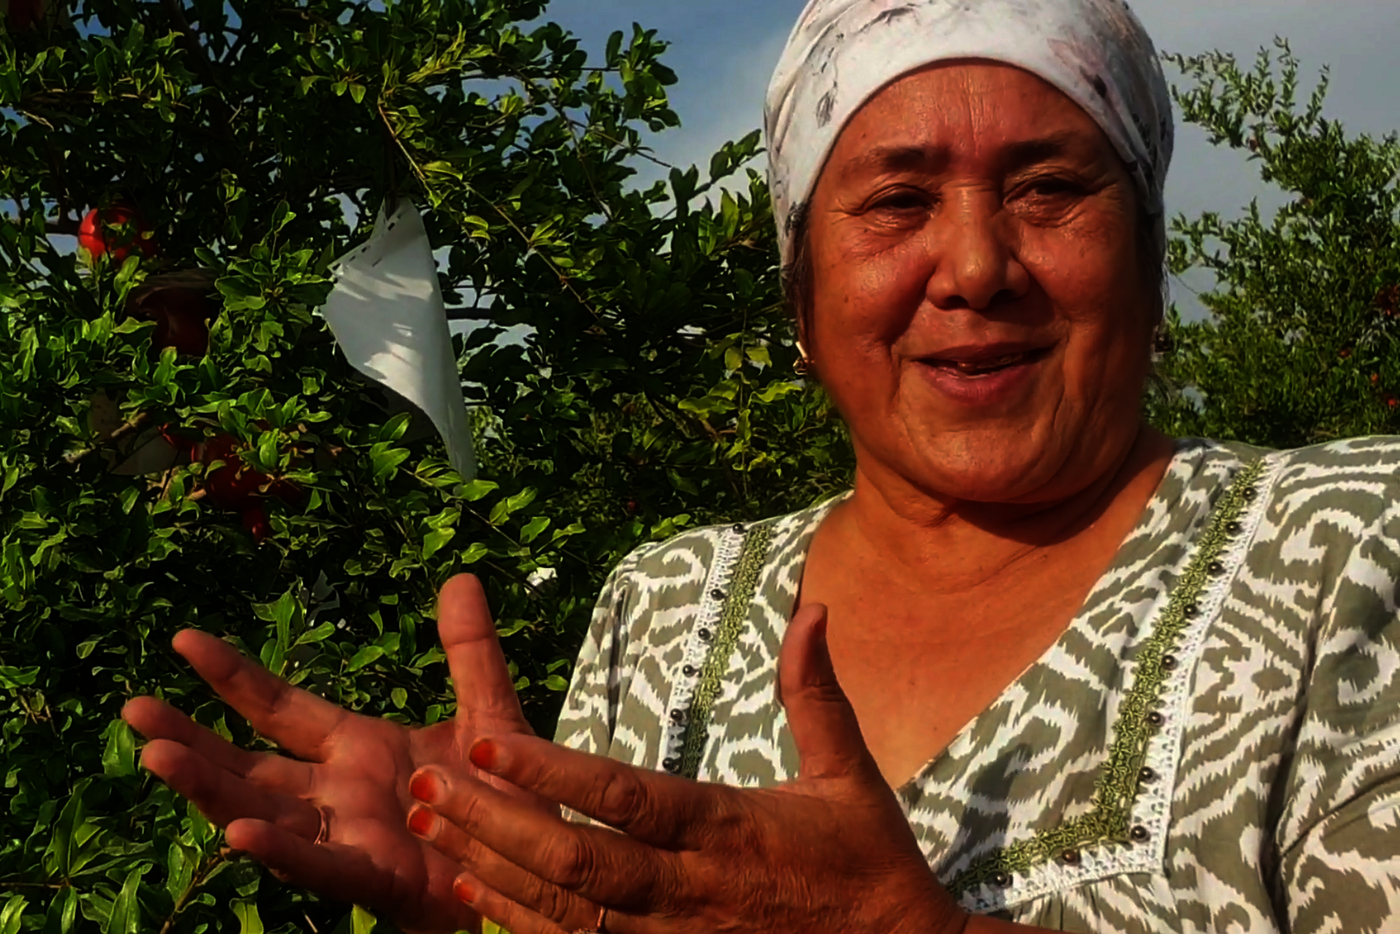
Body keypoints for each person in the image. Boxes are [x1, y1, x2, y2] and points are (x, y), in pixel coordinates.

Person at [124, 0, 1400, 932]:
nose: (972, 266)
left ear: (1147, 255)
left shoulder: (1351, 545)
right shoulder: (666, 604)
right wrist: (498, 887)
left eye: (1048, 187)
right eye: (896, 201)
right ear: (800, 293)